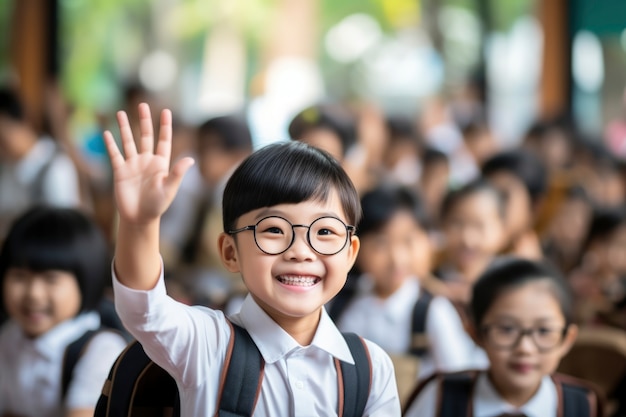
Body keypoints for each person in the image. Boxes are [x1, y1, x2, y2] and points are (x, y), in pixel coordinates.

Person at [103, 103, 401, 416]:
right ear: (230, 253)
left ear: (351, 252)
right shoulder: (208, 345)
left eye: (325, 231)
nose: (301, 251)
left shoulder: (370, 369)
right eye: (274, 229)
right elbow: (144, 310)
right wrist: (139, 224)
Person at [404, 256, 601, 417]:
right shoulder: (441, 396)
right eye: (507, 329)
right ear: (476, 334)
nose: (525, 347)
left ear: (566, 339)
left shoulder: (583, 405)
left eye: (543, 331)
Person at [333, 185, 486, 381]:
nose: (397, 258)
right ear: (356, 246)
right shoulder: (342, 299)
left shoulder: (432, 311)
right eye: (381, 243)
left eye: (409, 241)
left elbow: (458, 378)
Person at [0, 206, 128, 417]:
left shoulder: (100, 350)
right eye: (19, 277)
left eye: (51, 279)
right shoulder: (8, 336)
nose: (33, 294)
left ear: (86, 281)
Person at [0, 87, 81, 241]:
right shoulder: (8, 168)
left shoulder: (56, 166)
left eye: (2, 139)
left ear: (23, 122)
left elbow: (64, 230)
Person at [436, 179, 508, 306]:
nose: (467, 239)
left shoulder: (510, 286)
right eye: (457, 223)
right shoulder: (427, 285)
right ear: (442, 225)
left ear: (502, 230)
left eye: (479, 226)